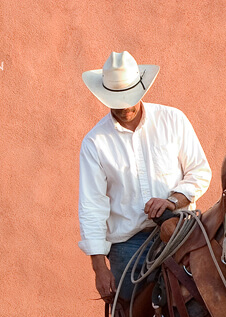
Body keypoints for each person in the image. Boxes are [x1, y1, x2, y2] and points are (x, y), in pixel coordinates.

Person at [78, 51, 212, 302]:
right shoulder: (95, 143)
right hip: (128, 245)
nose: (126, 106)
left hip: (181, 231)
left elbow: (199, 171)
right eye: (117, 100)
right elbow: (92, 206)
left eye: (130, 97)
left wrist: (172, 200)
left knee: (209, 306)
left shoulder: (173, 120)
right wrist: (99, 269)